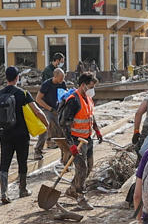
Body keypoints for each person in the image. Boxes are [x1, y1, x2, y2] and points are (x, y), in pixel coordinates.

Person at [54, 70, 101, 208]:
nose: (92, 90)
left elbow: (90, 115)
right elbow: (64, 123)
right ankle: (81, 198)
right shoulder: (73, 100)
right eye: (91, 87)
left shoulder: (88, 98)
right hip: (76, 140)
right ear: (83, 85)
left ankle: (72, 189)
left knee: (89, 167)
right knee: (81, 168)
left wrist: (97, 129)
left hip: (87, 138)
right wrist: (71, 144)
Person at [0, 65, 36, 202]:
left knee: (4, 162)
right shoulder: (22, 93)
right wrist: (46, 124)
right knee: (22, 161)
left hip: (5, 133)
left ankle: (3, 193)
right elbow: (36, 111)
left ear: (6, 78)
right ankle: (22, 189)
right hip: (21, 134)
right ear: (18, 77)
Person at [35, 66, 66, 165]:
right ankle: (38, 151)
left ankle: (64, 156)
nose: (62, 80)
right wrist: (49, 108)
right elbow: (38, 99)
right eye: (61, 78)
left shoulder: (63, 84)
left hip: (58, 110)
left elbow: (65, 96)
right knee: (45, 128)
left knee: (62, 131)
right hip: (48, 109)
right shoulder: (47, 84)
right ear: (55, 77)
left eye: (63, 78)